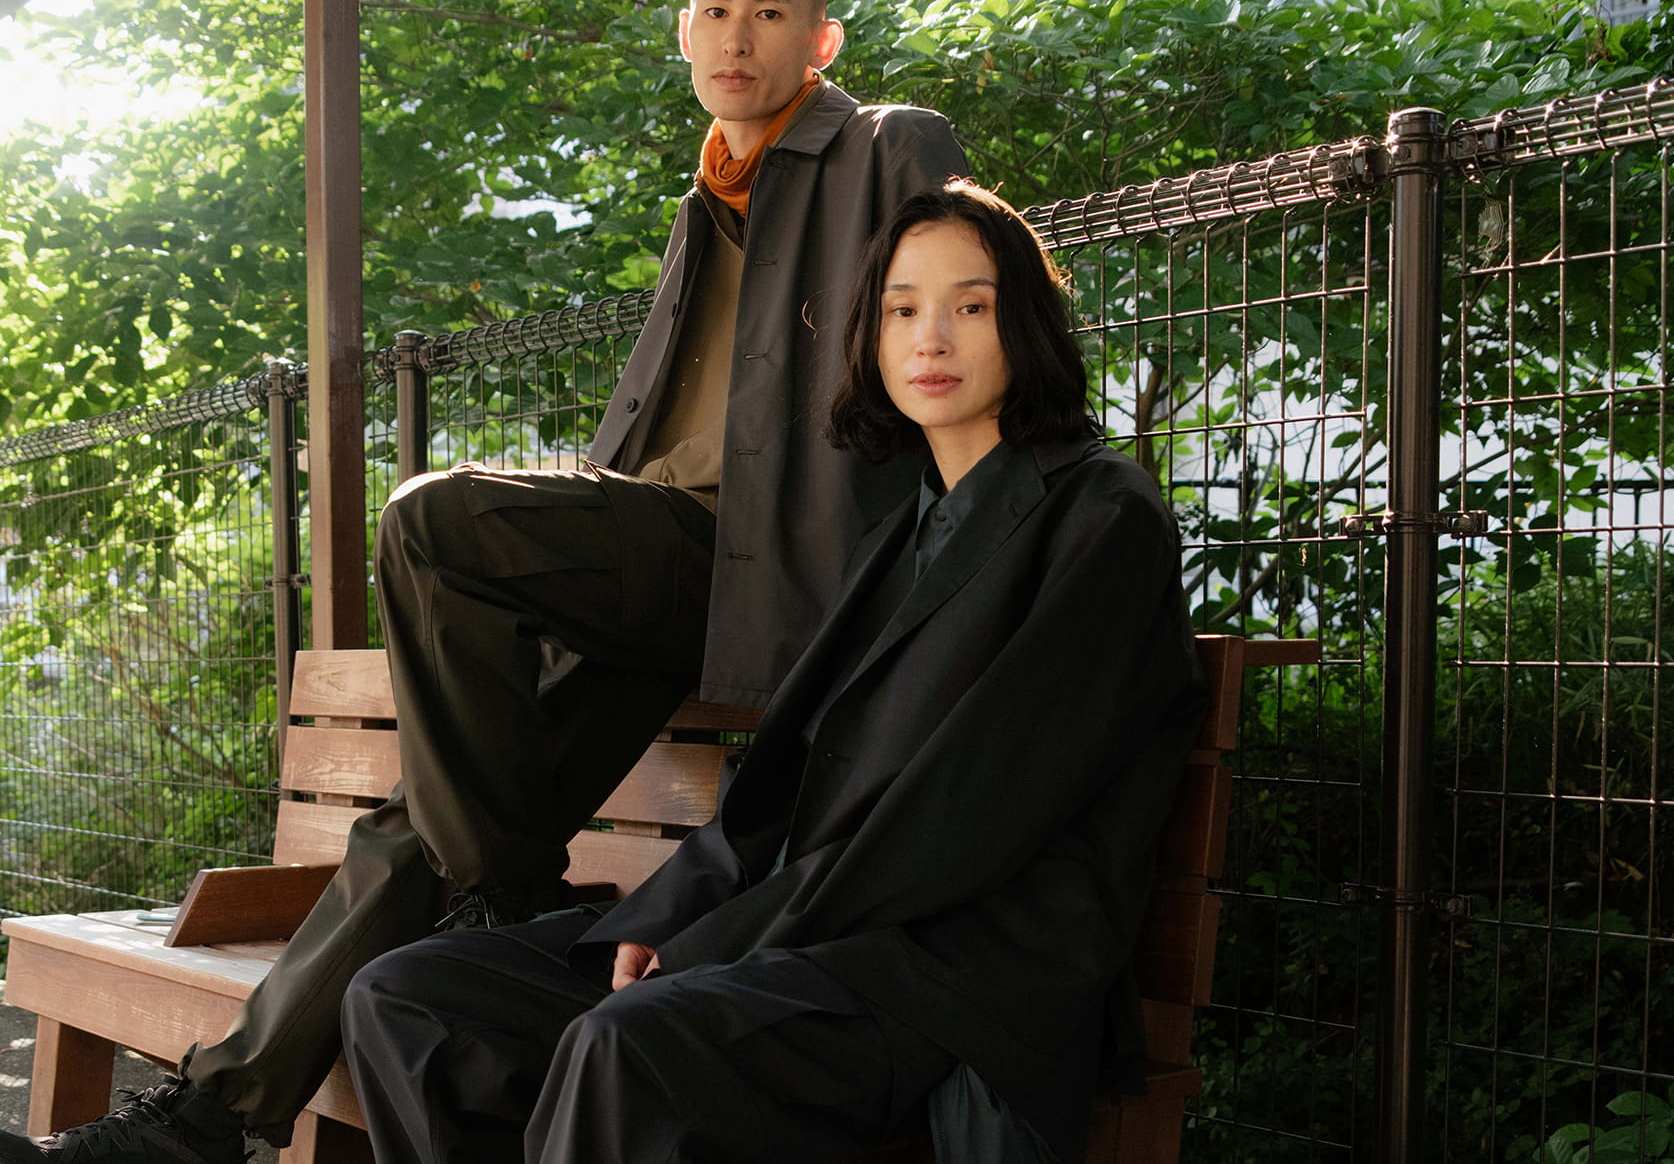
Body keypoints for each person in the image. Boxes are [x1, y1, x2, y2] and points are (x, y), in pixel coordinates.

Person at [0, 0, 970, 1164]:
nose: (736, 34)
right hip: (661, 578)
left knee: (434, 518)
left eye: (769, 10)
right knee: (418, 829)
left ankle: (503, 889)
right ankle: (202, 1123)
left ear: (822, 39)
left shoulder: (885, 146)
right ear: (683, 33)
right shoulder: (709, 196)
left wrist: (944, 561)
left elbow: (954, 335)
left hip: (761, 564)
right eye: (713, 8)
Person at [337, 181, 1211, 1164]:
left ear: (1028, 324)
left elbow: (964, 814)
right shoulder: (899, 535)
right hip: (806, 931)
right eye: (901, 310)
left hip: (945, 971)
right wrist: (671, 915)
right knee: (410, 998)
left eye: (971, 306)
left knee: (628, 1044)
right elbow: (778, 784)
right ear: (870, 337)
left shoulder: (1102, 517)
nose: (931, 338)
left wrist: (715, 941)